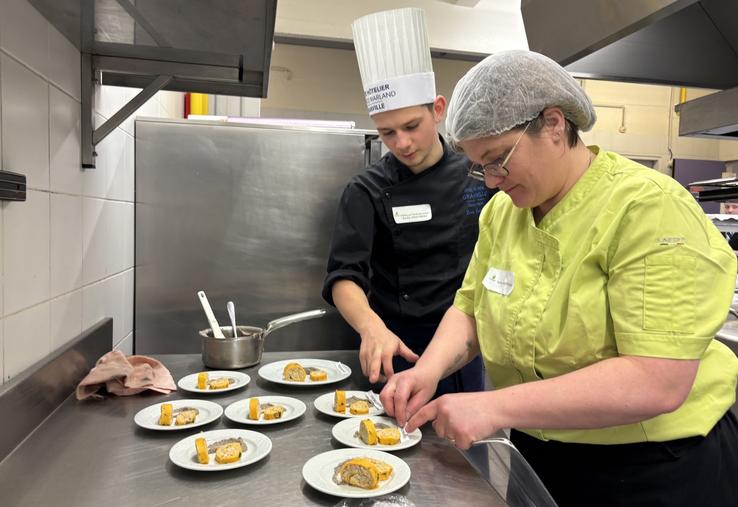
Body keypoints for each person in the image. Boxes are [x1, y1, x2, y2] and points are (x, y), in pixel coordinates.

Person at [381, 49, 738, 506]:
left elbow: (657, 378)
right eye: (480, 166)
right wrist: (427, 371)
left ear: (553, 123)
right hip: (540, 452)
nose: (491, 181)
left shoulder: (647, 208)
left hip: (652, 468)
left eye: (497, 159)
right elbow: (470, 306)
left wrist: (495, 406)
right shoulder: (503, 214)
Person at [322, 8, 492, 395]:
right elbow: (344, 275)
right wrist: (371, 326)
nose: (402, 143)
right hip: (396, 345)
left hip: (465, 342)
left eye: (411, 126)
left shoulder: (482, 174)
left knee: (456, 452)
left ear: (438, 109)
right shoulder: (365, 189)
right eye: (387, 132)